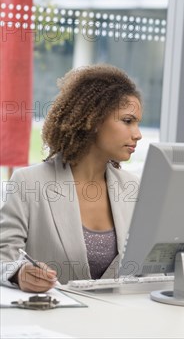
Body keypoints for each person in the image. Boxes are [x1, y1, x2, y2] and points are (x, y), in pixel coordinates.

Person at [0, 64, 143, 292]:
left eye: (137, 123)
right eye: (127, 121)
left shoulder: (134, 188)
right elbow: (3, 258)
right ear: (94, 120)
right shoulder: (28, 183)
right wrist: (18, 273)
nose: (138, 134)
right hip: (52, 319)